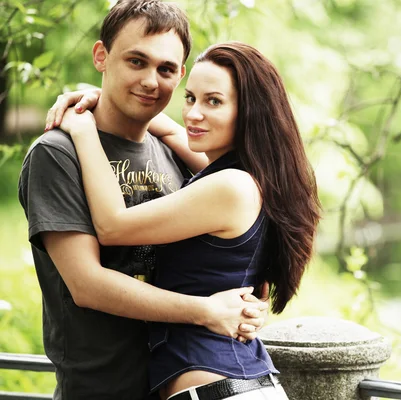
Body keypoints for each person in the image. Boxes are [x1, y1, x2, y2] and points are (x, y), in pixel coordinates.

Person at [18, 2, 268, 399]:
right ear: (102, 56)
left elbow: (235, 242)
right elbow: (87, 285)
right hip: (103, 387)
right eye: (136, 61)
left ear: (180, 75)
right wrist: (207, 311)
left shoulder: (178, 151)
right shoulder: (59, 152)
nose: (151, 81)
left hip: (180, 378)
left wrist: (247, 306)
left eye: (166, 69)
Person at [51, 40, 321, 400]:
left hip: (218, 386)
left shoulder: (231, 187)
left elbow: (113, 226)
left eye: (214, 101)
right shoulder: (246, 175)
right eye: (190, 97)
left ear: (251, 112)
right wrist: (107, 97)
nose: (193, 113)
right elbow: (176, 132)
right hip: (232, 381)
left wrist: (84, 132)